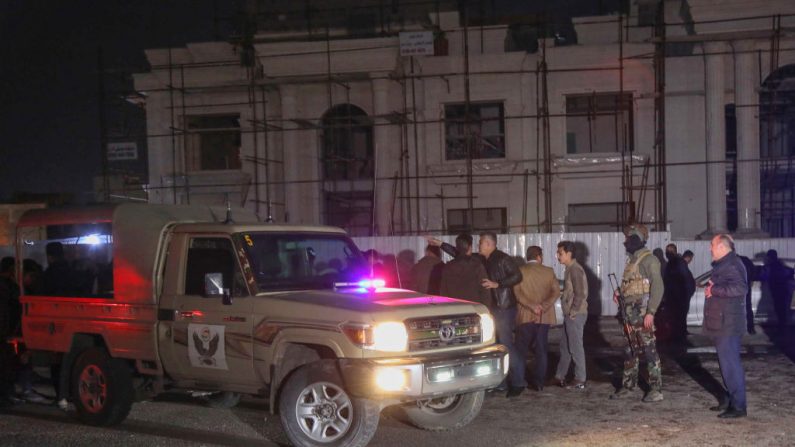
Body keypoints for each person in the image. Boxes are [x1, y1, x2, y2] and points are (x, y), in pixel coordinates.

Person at [433, 233, 523, 395]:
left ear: (489, 244)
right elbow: (460, 254)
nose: (478, 246)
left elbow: (517, 276)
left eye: (481, 243)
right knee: (495, 345)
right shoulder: (481, 259)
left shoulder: (503, 258)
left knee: (506, 344)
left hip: (504, 307)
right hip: (491, 308)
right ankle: (500, 384)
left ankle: (518, 382)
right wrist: (441, 244)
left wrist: (498, 284)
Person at [610, 224, 664, 402]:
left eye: (628, 238)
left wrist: (651, 312)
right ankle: (628, 386)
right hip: (629, 312)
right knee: (629, 350)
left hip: (642, 312)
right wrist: (619, 292)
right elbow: (632, 285)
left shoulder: (650, 260)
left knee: (649, 350)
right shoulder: (632, 261)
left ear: (636, 239)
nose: (625, 242)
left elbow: (658, 286)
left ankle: (656, 389)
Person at [704, 234, 748, 418]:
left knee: (730, 365)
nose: (710, 248)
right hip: (723, 322)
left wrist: (714, 290)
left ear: (722, 247)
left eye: (712, 245)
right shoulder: (726, 263)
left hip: (728, 324)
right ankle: (730, 400)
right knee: (726, 365)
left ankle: (738, 407)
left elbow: (741, 288)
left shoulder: (732, 264)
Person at [512, 246, 560, 395]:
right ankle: (539, 383)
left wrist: (531, 306)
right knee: (541, 349)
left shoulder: (520, 271)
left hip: (525, 315)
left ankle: (518, 381)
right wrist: (542, 306)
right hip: (543, 316)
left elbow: (517, 294)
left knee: (520, 350)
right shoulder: (549, 271)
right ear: (539, 256)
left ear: (528, 257)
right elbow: (556, 292)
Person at [553, 241, 588, 390]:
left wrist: (573, 311)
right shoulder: (570, 269)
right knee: (565, 347)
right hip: (572, 314)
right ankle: (559, 376)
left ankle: (580, 379)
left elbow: (580, 293)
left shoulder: (574, 269)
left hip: (576, 314)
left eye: (560, 253)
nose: (557, 256)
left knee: (575, 347)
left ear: (569, 254)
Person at [437, 234, 490, 305]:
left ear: (456, 248)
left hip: (454, 309)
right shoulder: (477, 266)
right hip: (474, 309)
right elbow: (485, 291)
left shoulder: (448, 267)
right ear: (470, 248)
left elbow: (443, 291)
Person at [662, 244, 694, 342]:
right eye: (667, 251)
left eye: (670, 251)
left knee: (678, 320)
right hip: (675, 298)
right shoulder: (672, 263)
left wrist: (685, 295)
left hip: (679, 298)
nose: (668, 253)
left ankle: (679, 342)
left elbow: (686, 281)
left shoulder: (677, 263)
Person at [759, 249, 794, 327]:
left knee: (779, 309)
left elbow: (764, 277)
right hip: (783, 290)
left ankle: (782, 328)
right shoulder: (781, 265)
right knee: (782, 309)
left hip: (777, 291)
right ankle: (783, 326)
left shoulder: (769, 267)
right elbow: (790, 273)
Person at [737, 254, 757, 334]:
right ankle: (751, 328)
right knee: (748, 307)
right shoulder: (746, 260)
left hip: (735, 288)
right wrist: (751, 280)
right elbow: (753, 271)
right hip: (746, 287)